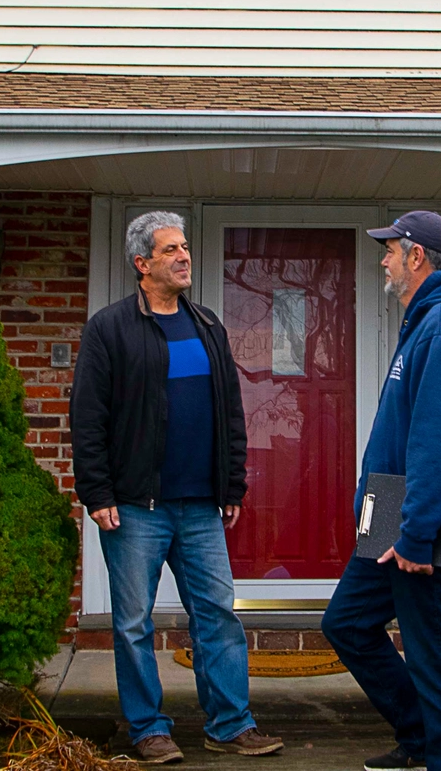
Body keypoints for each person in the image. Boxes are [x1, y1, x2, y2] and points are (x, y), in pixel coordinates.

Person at [71, 211, 285, 763]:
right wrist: (97, 493)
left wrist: (231, 484)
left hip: (200, 507)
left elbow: (231, 413)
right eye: (170, 250)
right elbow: (88, 417)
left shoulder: (208, 326)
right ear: (142, 264)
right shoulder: (110, 328)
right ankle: (148, 729)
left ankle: (230, 723)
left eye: (185, 247)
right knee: (135, 624)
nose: (184, 256)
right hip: (135, 507)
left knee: (218, 613)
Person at [322, 211, 441, 771]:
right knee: (348, 623)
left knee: (435, 655)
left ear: (418, 256)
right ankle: (419, 737)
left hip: (429, 521)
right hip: (400, 512)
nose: (383, 259)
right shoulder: (432, 322)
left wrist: (417, 536)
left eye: (390, 250)